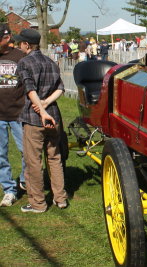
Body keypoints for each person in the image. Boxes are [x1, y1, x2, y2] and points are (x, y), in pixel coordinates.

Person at [15, 28, 68, 213]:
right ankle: (60, 199)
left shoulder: (24, 63)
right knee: (54, 157)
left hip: (34, 118)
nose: (18, 44)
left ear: (27, 44)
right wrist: (46, 103)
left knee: (33, 161)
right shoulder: (51, 62)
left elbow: (30, 89)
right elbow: (60, 88)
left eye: (20, 42)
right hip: (54, 116)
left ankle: (37, 203)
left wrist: (41, 108)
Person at [0, 24, 26, 207]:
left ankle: (26, 181)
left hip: (19, 113)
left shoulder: (20, 57)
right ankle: (9, 190)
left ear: (6, 38)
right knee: (0, 155)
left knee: (27, 151)